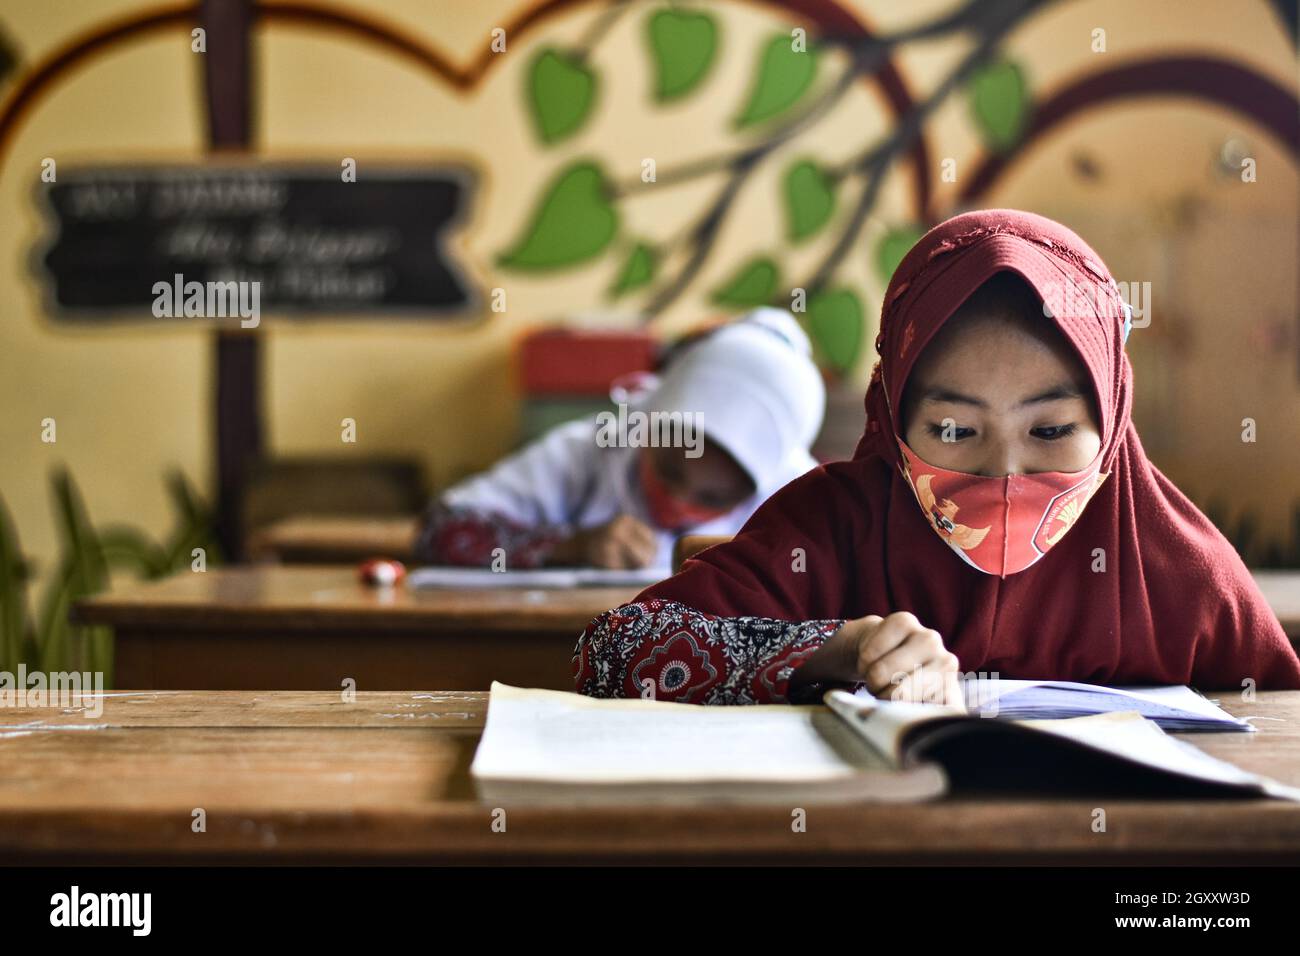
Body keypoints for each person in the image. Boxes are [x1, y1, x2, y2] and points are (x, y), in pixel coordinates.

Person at [574, 208, 1300, 705]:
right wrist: (835, 647)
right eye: (954, 430)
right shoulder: (833, 527)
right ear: (892, 416)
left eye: (1050, 431)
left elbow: (1280, 734)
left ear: (1111, 417)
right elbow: (608, 654)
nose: (1006, 476)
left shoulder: (1174, 567)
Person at [413, 307, 826, 570]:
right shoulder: (594, 450)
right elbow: (442, 531)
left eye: (713, 499)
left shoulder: (803, 500)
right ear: (650, 419)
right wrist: (572, 546)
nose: (676, 504)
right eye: (667, 471)